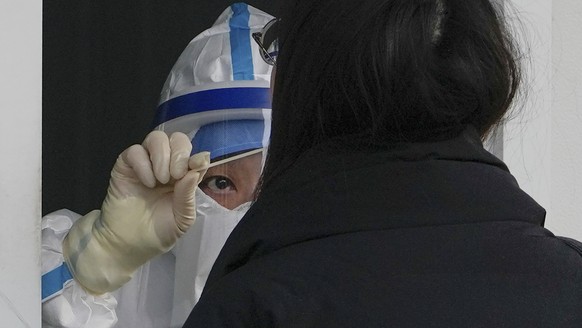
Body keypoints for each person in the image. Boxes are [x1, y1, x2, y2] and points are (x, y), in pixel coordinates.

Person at [183, 0, 582, 327]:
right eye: (219, 182)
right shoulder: (571, 281)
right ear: (488, 81)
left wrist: (117, 269)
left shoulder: (249, 306)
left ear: (299, 84)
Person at [40, 3, 274, 327]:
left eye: (276, 186)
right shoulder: (95, 282)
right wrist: (101, 258)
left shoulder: (341, 278)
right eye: (221, 183)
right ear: (170, 170)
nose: (249, 216)